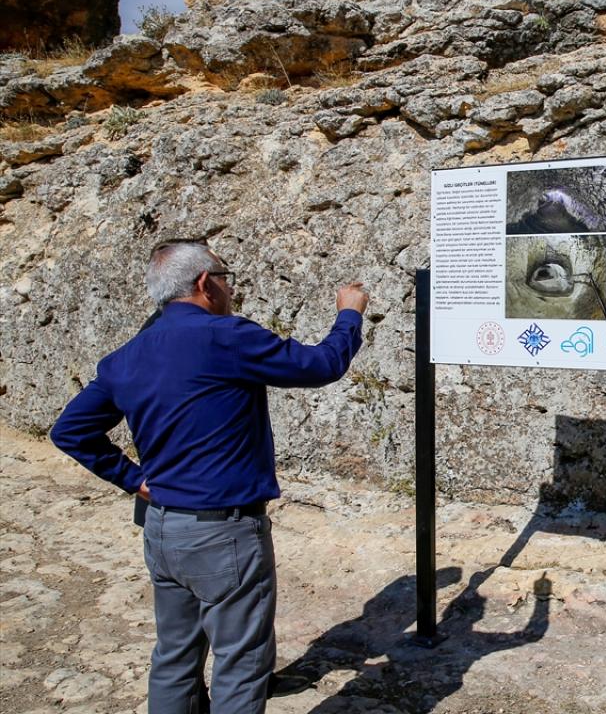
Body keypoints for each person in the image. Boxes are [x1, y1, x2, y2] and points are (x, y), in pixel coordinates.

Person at [50, 241, 369, 713]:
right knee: (241, 665)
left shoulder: (128, 355)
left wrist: (132, 478)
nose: (230, 288)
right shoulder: (227, 337)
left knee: (175, 657)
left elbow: (71, 431)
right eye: (226, 276)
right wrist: (349, 314)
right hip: (225, 535)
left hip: (161, 528)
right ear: (204, 283)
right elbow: (322, 365)